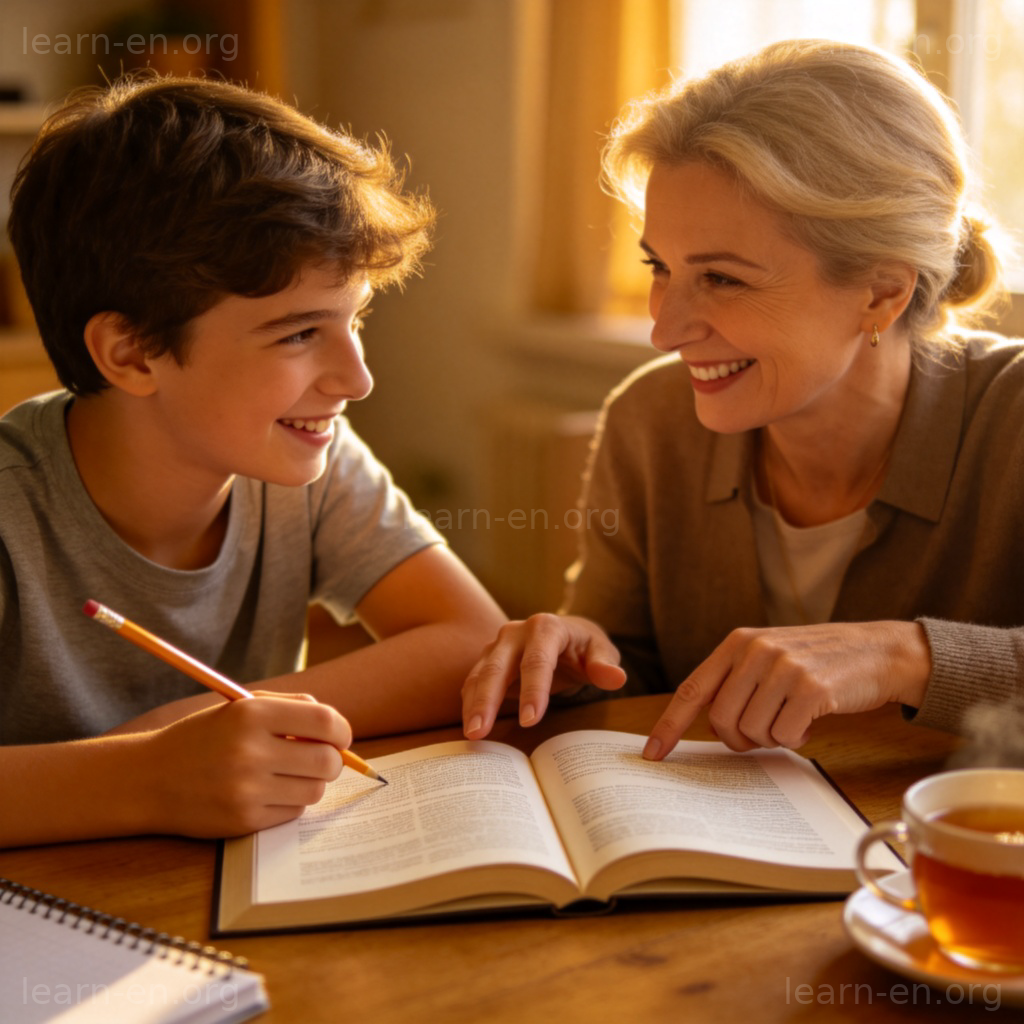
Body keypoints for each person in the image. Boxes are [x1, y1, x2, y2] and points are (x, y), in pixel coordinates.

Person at [462, 39, 1024, 756]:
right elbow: (631, 667)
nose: (664, 330)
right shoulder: (650, 421)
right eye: (659, 267)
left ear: (882, 291)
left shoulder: (1012, 418)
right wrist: (573, 658)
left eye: (723, 279)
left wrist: (903, 658)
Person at [0, 73, 505, 848]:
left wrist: (204, 718)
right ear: (131, 352)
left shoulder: (303, 454)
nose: (357, 379)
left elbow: (471, 639)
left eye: (354, 318)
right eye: (300, 333)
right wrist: (147, 774)